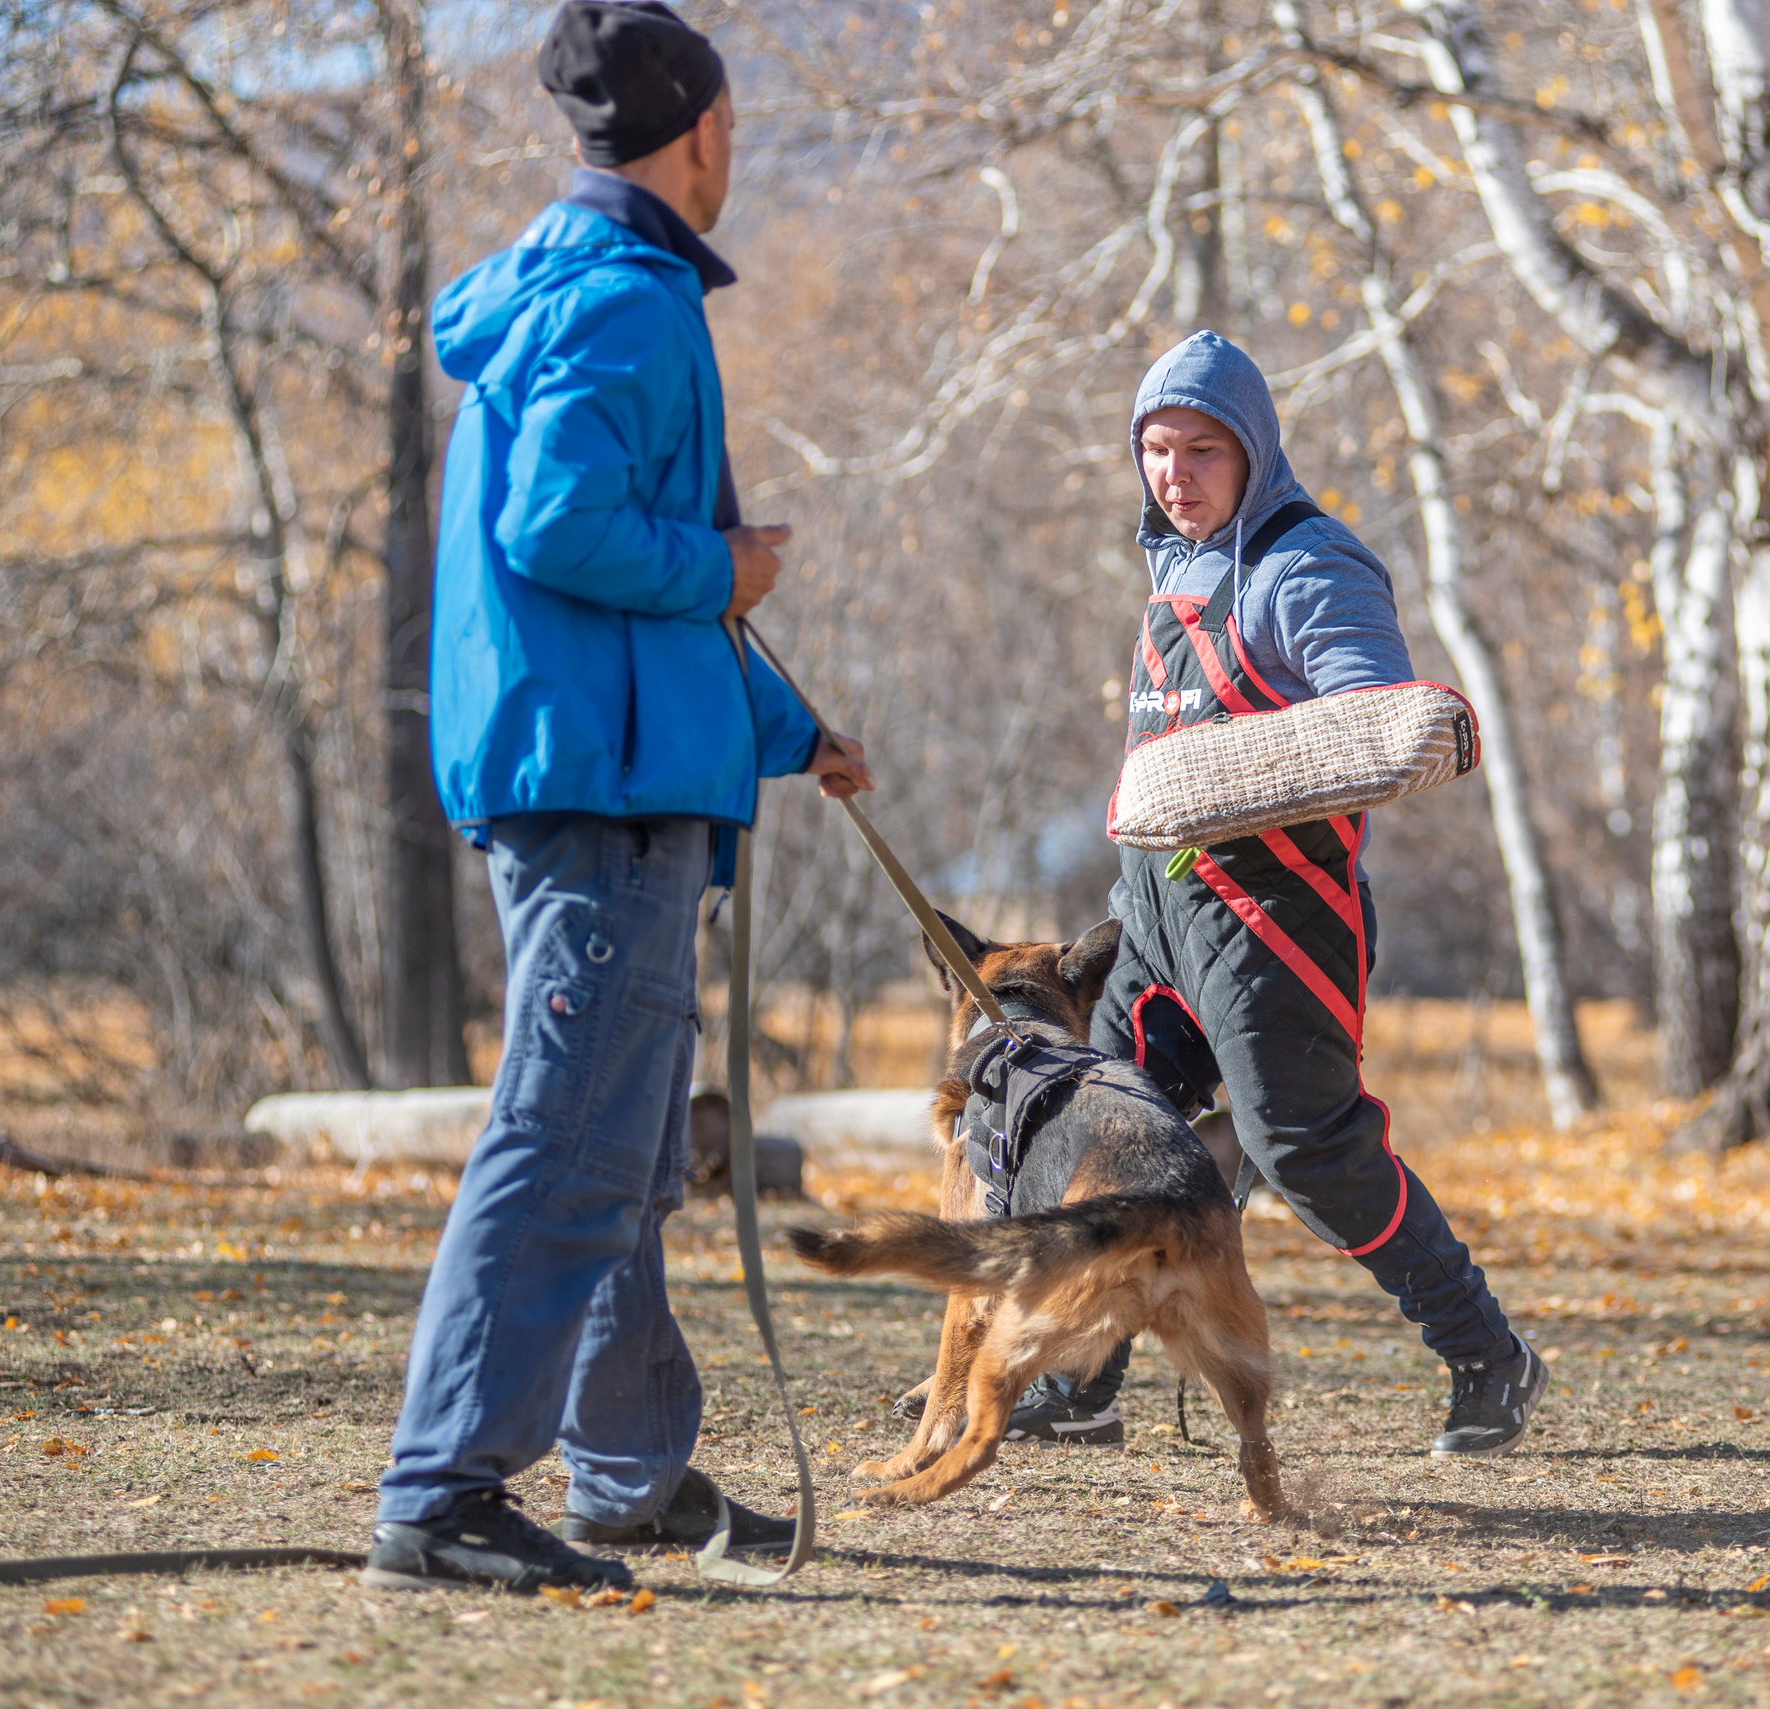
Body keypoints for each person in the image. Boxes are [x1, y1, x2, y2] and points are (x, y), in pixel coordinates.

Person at [364, 1, 875, 1595]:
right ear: (701, 128)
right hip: (603, 794)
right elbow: (558, 529)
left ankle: (625, 1474)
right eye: (737, 127)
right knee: (566, 1134)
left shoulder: (562, 289)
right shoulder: (629, 303)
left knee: (625, 1145)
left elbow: (635, 601)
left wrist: (791, 730)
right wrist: (732, 561)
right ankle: (440, 1494)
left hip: (605, 767)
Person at [1003, 331, 1545, 1457]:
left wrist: (1215, 780)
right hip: (1152, 906)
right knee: (1106, 1126)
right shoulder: (1172, 564)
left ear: (1254, 450)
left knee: (1302, 1145)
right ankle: (1084, 1379)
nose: (1175, 472)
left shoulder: (1310, 564)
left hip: (1277, 912)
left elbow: (1372, 726)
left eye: (1203, 448)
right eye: (1155, 449)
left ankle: (1487, 1350)